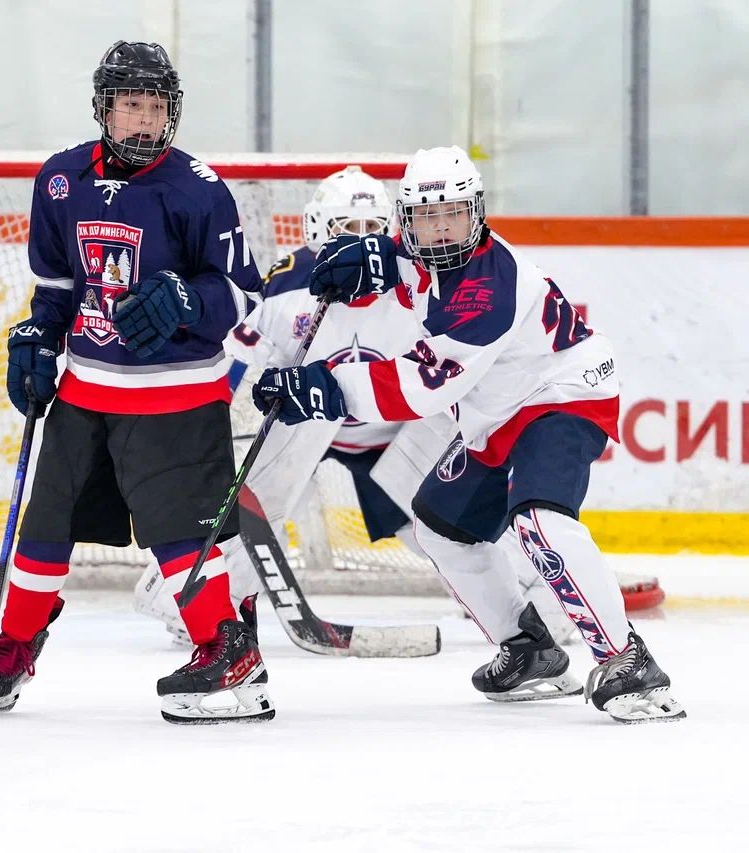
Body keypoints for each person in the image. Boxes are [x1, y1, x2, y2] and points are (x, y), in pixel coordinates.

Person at [252, 146, 685, 723]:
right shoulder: (420, 250)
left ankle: (628, 660)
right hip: (496, 411)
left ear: (476, 212)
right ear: (408, 220)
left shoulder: (488, 290)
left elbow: (421, 386)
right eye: (425, 217)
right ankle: (529, 650)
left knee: (539, 521)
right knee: (440, 524)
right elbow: (407, 261)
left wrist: (323, 385)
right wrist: (373, 256)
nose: (440, 228)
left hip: (561, 395)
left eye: (451, 213)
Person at [134, 166, 584, 648]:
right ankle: (193, 599)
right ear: (317, 231)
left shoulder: (419, 284)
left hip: (394, 429)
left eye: (374, 228)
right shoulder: (285, 291)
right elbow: (240, 369)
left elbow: (448, 371)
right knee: (256, 499)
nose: (362, 240)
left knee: (447, 520)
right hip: (305, 423)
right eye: (348, 229)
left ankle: (539, 599)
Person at [0, 41, 271, 725]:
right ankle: (15, 644)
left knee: (181, 537)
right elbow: (56, 292)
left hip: (179, 395)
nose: (144, 121)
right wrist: (39, 337)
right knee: (43, 527)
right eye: (131, 104)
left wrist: (192, 301)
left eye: (156, 107)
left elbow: (248, 298)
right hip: (87, 389)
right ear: (105, 107)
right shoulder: (60, 181)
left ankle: (230, 651)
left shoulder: (199, 189)